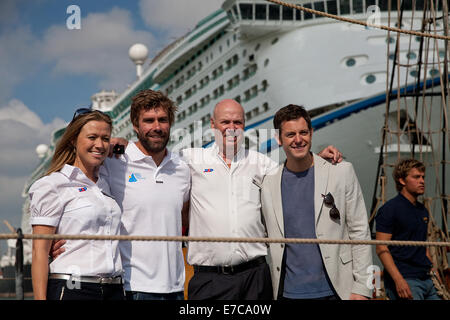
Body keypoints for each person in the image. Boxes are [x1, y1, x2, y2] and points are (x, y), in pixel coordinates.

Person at [182, 99, 343, 300]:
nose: (231, 128)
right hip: (210, 280)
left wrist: (317, 158)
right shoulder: (192, 159)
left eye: (237, 123)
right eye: (225, 122)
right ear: (213, 124)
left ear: (244, 124)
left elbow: (292, 178)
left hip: (255, 278)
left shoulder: (262, 164)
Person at [51, 90, 190, 300]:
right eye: (148, 120)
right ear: (135, 125)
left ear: (170, 123)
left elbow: (187, 216)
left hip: (175, 288)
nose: (157, 127)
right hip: (130, 287)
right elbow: (71, 186)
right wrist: (54, 236)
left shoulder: (182, 168)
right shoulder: (114, 161)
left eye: (162, 120)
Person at [260, 104, 373, 300]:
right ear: (279, 139)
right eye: (290, 135)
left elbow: (360, 231)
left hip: (337, 291)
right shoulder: (268, 183)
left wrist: (362, 288)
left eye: (303, 132)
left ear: (312, 133)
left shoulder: (341, 171)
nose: (298, 140)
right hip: (288, 293)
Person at [30, 109, 124, 300]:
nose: (99, 144)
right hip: (74, 289)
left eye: (105, 138)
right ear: (73, 140)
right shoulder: (52, 185)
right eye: (92, 137)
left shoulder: (106, 183)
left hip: (114, 289)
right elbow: (39, 251)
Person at [375, 159, 441, 300]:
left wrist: (434, 271)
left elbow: (423, 246)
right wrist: (398, 280)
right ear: (402, 181)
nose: (422, 181)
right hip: (406, 280)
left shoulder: (422, 210)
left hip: (427, 279)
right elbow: (381, 248)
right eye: (416, 177)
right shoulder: (389, 210)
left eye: (423, 177)